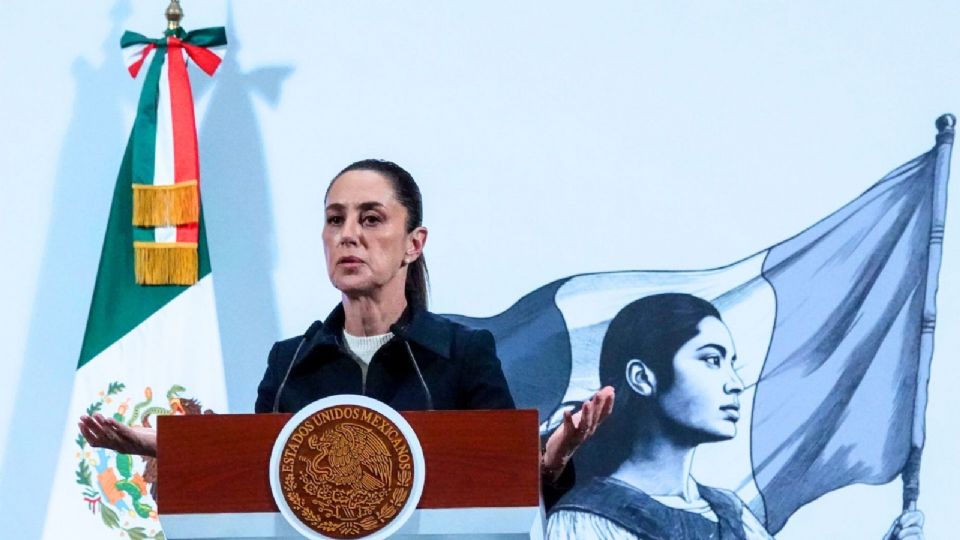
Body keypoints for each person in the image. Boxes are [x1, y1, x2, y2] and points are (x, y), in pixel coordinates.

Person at [79, 158, 613, 495]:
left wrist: (554, 454)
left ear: (414, 243)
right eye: (336, 219)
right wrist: (160, 444)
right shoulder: (291, 361)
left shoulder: (460, 354)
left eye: (371, 218)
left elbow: (507, 478)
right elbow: (256, 471)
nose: (348, 235)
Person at [546, 293, 923, 540]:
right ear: (643, 378)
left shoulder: (730, 513)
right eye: (711, 360)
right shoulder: (589, 518)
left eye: (732, 364)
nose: (735, 383)